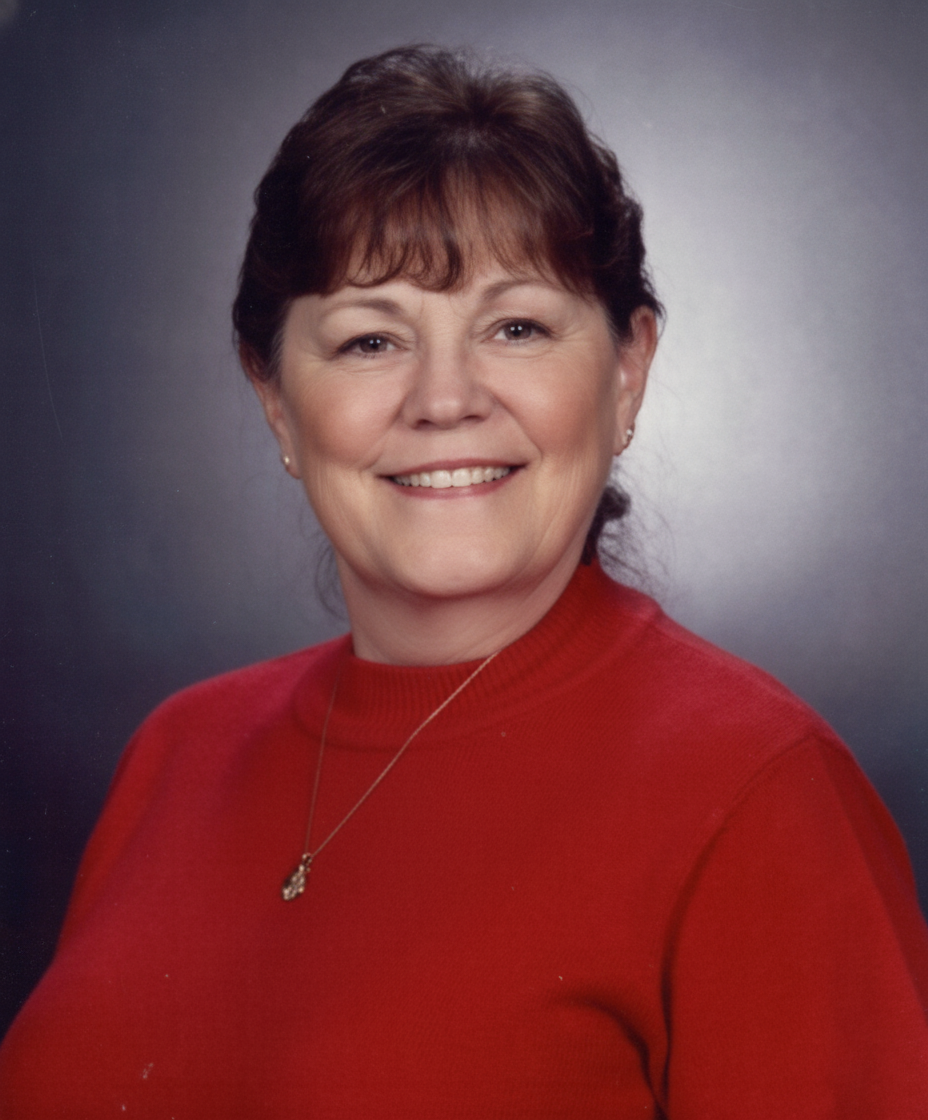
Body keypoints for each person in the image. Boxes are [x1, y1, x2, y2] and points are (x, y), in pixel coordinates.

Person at [1, 44, 927, 1119]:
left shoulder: (763, 793)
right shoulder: (176, 752)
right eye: (368, 339)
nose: (444, 398)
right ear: (274, 400)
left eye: (516, 326)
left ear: (626, 370)